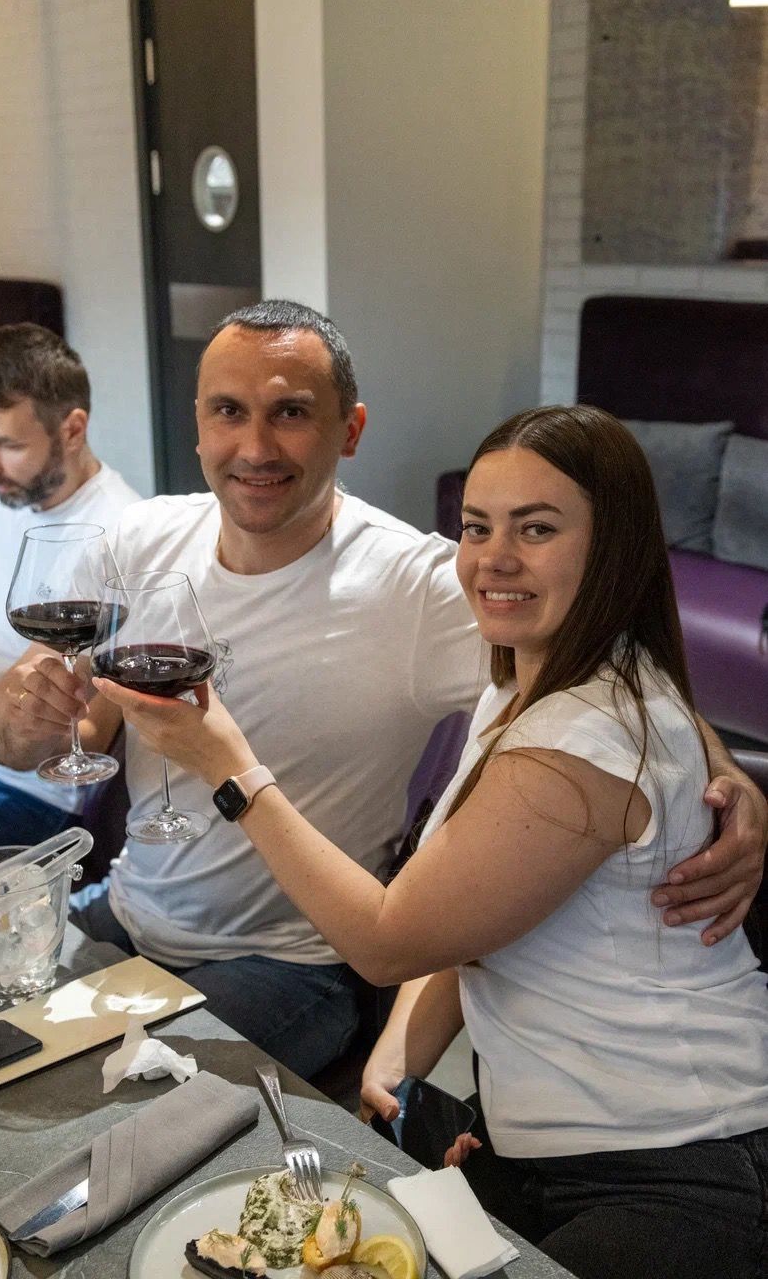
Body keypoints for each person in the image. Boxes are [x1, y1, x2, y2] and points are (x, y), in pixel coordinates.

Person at [0, 304, 765, 1080]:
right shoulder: (137, 542)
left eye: (290, 413)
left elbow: (616, 681)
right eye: (229, 412)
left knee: (105, 1101)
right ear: (198, 424)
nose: (254, 447)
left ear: (349, 430)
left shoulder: (423, 587)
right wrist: (18, 716)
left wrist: (729, 779)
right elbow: (22, 739)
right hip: (125, 910)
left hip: (290, 965)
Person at [91, 403, 768, 1279]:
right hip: (548, 1146)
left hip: (681, 1158)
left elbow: (386, 941)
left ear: (614, 548)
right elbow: (466, 909)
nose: (494, 558)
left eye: (536, 529)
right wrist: (403, 1045)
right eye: (477, 527)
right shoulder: (524, 684)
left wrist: (231, 768)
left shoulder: (581, 741)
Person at [0, 323, 139, 847]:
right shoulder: (7, 496)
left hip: (29, 792)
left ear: (72, 430)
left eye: (5, 444)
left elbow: (89, 736)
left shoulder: (122, 536)